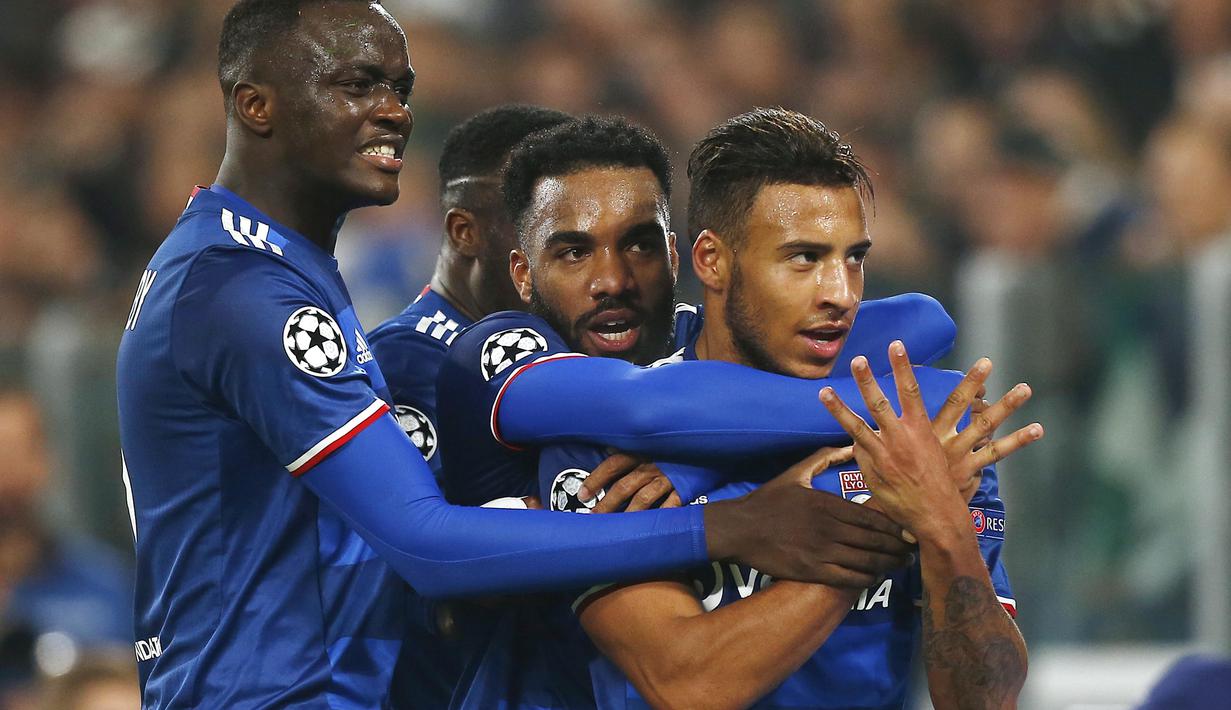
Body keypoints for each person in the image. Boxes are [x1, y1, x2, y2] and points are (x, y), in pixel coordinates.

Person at [115, 3, 936, 706]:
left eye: (399, 88)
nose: (394, 111)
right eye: (357, 85)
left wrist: (687, 474)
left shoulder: (265, 269)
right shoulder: (261, 298)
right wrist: (728, 522)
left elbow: (919, 318)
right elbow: (429, 541)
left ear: (687, 255)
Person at [432, 114, 980, 707]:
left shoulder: (755, 347)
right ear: (523, 272)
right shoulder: (513, 366)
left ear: (678, 257)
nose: (613, 280)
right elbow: (645, 410)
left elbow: (926, 319)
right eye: (573, 253)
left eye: (640, 245)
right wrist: (897, 427)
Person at [366, 103, 573, 709]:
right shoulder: (406, 365)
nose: (562, 247)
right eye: (540, 222)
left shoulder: (556, 357)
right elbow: (438, 571)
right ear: (465, 230)